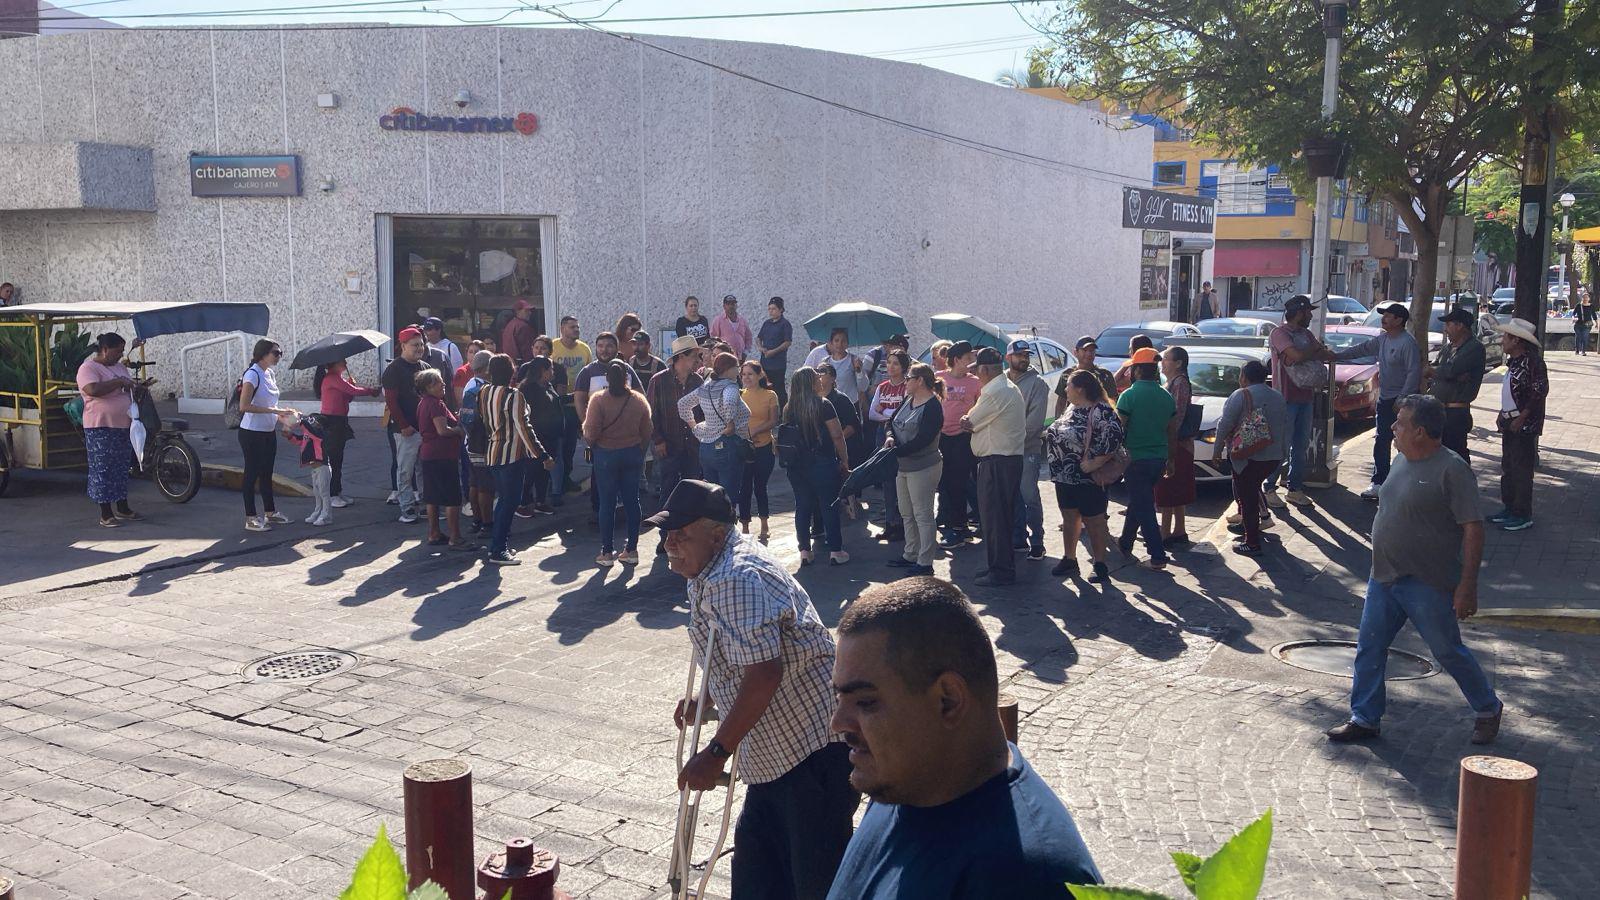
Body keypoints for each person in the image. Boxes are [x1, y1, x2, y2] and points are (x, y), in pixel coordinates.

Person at [826, 577, 1102, 898]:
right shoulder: (905, 781)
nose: (838, 724)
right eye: (838, 699)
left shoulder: (1028, 879)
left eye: (866, 702)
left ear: (948, 701)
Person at [647, 480, 860, 898]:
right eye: (666, 533)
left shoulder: (735, 578)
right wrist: (705, 695)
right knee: (758, 875)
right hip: (774, 755)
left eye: (680, 534)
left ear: (716, 533)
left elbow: (764, 673)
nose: (669, 543)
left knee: (815, 882)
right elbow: (737, 652)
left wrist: (715, 754)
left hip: (810, 750)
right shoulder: (706, 569)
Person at [1326, 395, 1502, 745]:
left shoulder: (1452, 469)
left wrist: (1467, 586)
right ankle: (1364, 717)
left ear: (1420, 431)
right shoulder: (1401, 459)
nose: (1393, 427)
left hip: (1427, 582)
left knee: (1447, 650)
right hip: (1385, 575)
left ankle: (1487, 707)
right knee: (1369, 647)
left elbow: (1473, 528)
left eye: (1401, 423)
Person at [1333, 300, 1422, 500]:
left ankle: (1404, 482)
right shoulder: (1383, 339)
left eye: (1388, 316)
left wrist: (1403, 398)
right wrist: (1336, 355)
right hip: (1384, 399)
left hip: (1401, 402)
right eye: (1384, 315)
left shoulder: (1407, 343)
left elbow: (1413, 372)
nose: (1384, 319)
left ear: (1399, 320)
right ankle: (1379, 481)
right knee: (1381, 440)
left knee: (1404, 442)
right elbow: (1362, 349)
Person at [1045, 370, 1123, 582]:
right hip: (1064, 476)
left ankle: (1099, 564)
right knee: (1069, 518)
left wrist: (1095, 463)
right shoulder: (1073, 407)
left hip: (1088, 478)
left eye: (1068, 386)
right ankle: (1069, 559)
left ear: (1080, 388)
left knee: (1094, 520)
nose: (1066, 390)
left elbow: (1114, 436)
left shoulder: (1101, 410)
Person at [959, 347, 1025, 587]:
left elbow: (970, 420)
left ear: (984, 369)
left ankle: (1000, 570)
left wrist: (970, 421)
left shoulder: (995, 391)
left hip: (998, 461)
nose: (976, 374)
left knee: (995, 518)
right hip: (1003, 461)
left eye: (976, 370)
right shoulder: (1005, 388)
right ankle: (999, 567)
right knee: (1000, 517)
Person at [481, 354, 553, 566]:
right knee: (509, 502)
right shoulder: (514, 396)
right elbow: (524, 428)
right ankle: (498, 549)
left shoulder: (484, 392)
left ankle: (498, 543)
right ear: (511, 371)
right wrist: (542, 455)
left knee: (503, 500)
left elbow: (484, 420)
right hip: (511, 455)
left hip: (492, 451)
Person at [1213, 361, 1288, 556]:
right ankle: (1251, 531)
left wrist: (1217, 449)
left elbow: (1225, 424)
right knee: (1252, 493)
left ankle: (1252, 542)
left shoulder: (1240, 395)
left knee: (1247, 500)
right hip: (1272, 457)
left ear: (1244, 377)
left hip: (1246, 457)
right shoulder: (1277, 396)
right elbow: (1285, 427)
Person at [1263, 295, 1331, 508]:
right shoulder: (1279, 333)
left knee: (1300, 445)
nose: (1311, 316)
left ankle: (1294, 488)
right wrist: (1312, 352)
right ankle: (1269, 488)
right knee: (1281, 445)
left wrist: (1310, 352)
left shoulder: (1306, 334)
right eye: (1308, 312)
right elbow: (1296, 355)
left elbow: (1322, 354)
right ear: (1299, 313)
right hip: (1284, 398)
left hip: (1306, 396)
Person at [584, 361, 653, 567]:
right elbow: (647, 428)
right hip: (632, 452)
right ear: (626, 378)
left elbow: (590, 432)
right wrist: (640, 450)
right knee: (633, 501)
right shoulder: (638, 400)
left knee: (607, 503)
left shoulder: (598, 400)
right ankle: (631, 550)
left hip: (606, 455)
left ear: (607, 378)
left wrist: (593, 443)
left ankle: (606, 552)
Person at [1115, 347, 1176, 570]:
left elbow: (1118, 427)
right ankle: (1125, 542)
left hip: (1135, 459)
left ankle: (1157, 554)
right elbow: (1172, 431)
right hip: (1159, 459)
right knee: (1139, 501)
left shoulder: (1129, 395)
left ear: (1138, 370)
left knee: (1144, 506)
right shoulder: (1166, 396)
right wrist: (1171, 460)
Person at [785, 367, 852, 566]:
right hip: (822, 462)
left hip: (796, 465)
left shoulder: (789, 408)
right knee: (829, 505)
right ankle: (836, 550)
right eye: (816, 378)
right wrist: (844, 460)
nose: (820, 380)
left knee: (802, 506)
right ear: (810, 383)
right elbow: (837, 435)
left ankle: (805, 551)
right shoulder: (823, 404)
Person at [76, 333, 143, 528]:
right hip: (100, 426)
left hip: (123, 424)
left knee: (120, 468)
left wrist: (134, 388)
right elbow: (93, 390)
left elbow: (125, 388)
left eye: (122, 351)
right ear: (105, 350)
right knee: (103, 468)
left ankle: (122, 506)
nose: (120, 355)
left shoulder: (120, 367)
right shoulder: (88, 368)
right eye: (117, 351)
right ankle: (106, 513)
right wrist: (119, 382)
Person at [885, 364, 944, 578]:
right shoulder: (908, 400)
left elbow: (924, 439)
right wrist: (890, 437)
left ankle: (925, 561)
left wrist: (897, 451)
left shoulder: (933, 407)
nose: (905, 381)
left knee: (923, 514)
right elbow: (890, 422)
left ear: (920, 381)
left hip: (924, 466)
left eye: (909, 377)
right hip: (903, 466)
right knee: (906, 513)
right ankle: (910, 553)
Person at [1491, 318, 1548, 532]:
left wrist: (1522, 416)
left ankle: (1522, 512)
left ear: (1516, 340)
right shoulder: (1513, 362)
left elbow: (1538, 392)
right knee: (1508, 466)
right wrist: (1503, 413)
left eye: (1506, 337)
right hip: (1510, 420)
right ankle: (1509, 506)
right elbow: (1510, 392)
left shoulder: (1533, 362)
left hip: (1524, 424)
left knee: (1521, 468)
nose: (1502, 340)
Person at [650, 336, 706, 551]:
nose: (698, 360)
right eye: (695, 355)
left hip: (692, 445)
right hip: (669, 445)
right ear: (681, 357)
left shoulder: (697, 382)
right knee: (668, 491)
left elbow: (703, 413)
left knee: (691, 491)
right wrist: (658, 440)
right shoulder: (659, 380)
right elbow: (651, 413)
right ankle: (666, 537)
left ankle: (687, 535)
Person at [237, 339, 294, 532]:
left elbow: (270, 405)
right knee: (251, 474)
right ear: (263, 354)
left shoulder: (269, 373)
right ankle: (251, 517)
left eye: (280, 353)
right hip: (251, 432)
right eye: (275, 353)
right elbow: (244, 406)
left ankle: (270, 513)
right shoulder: (253, 374)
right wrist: (273, 411)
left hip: (268, 432)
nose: (279, 356)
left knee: (267, 473)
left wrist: (282, 415)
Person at [678, 351, 750, 499]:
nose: (739, 370)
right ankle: (727, 522)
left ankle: (714, 522)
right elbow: (730, 401)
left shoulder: (706, 387)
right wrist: (730, 423)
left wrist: (694, 427)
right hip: (727, 446)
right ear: (728, 369)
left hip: (706, 448)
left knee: (713, 497)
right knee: (728, 497)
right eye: (737, 366)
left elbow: (682, 403)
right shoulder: (730, 386)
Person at [416, 369, 474, 550]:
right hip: (441, 455)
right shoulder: (435, 404)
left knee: (432, 496)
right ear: (429, 386)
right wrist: (458, 430)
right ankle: (455, 537)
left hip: (429, 454)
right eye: (439, 383)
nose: (443, 385)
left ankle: (434, 533)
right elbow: (442, 430)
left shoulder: (423, 403)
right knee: (451, 497)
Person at [314, 359, 379, 509]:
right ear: (334, 364)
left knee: (338, 457)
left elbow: (348, 397)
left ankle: (337, 491)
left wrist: (351, 385)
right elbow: (353, 392)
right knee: (334, 458)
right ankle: (331, 494)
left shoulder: (338, 379)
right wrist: (370, 390)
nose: (345, 363)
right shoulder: (332, 378)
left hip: (339, 420)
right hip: (332, 421)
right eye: (342, 361)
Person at [382, 328, 432, 524]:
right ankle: (407, 508)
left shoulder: (425, 366)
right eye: (414, 345)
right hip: (405, 430)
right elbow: (392, 402)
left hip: (425, 429)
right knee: (405, 469)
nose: (419, 348)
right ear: (403, 346)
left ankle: (429, 506)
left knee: (425, 468)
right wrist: (404, 425)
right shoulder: (393, 370)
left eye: (421, 344)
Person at [1005, 340, 1049, 561]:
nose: (1024, 358)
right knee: (1011, 496)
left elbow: (1034, 424)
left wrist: (1009, 441)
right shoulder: (1001, 381)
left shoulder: (1037, 384)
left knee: (1029, 496)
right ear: (1008, 357)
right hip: (1004, 451)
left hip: (1026, 449)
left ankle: (1038, 541)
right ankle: (1017, 538)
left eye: (1026, 355)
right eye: (1019, 354)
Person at [936, 342, 982, 549]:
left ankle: (959, 529)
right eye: (968, 358)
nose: (971, 362)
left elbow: (982, 409)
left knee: (960, 483)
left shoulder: (975, 382)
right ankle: (951, 525)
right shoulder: (939, 378)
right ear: (956, 360)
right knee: (944, 484)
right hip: (941, 438)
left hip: (964, 438)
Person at [1427, 307, 1487, 464]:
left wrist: (1440, 373)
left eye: (1448, 325)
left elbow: (1450, 370)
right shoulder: (1448, 347)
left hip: (1456, 411)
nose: (1445, 329)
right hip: (1438, 408)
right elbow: (1437, 368)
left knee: (1456, 453)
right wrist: (1439, 372)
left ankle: (1463, 486)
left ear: (1460, 325)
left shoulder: (1474, 347)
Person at [867, 350, 911, 542]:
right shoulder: (882, 387)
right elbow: (872, 414)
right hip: (883, 434)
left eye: (895, 363)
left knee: (902, 481)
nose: (891, 367)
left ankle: (904, 525)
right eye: (889, 363)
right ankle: (890, 523)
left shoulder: (908, 386)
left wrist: (885, 411)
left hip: (902, 436)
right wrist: (890, 415)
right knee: (887, 481)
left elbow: (907, 412)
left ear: (903, 366)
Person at [1155, 346, 1197, 546]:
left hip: (1176, 443)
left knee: (1169, 488)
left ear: (1178, 363)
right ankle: (1178, 530)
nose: (1162, 363)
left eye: (1166, 359)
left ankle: (1166, 532)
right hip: (1177, 442)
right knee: (1176, 488)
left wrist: (1168, 440)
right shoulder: (1174, 382)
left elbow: (1177, 416)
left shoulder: (1179, 383)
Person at [818, 361, 867, 520]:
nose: (819, 374)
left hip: (844, 446)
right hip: (822, 449)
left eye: (823, 371)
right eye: (817, 371)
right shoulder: (815, 399)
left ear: (832, 378)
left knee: (846, 482)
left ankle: (851, 508)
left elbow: (853, 426)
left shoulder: (841, 399)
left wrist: (835, 440)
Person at [550, 316, 593, 494]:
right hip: (555, 405)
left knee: (570, 446)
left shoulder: (584, 349)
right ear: (562, 329)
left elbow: (590, 376)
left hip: (575, 405)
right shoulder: (553, 347)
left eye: (577, 326)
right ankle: (552, 482)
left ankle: (566, 477)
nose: (576, 329)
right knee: (554, 446)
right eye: (572, 327)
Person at [517, 356, 564, 515]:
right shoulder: (528, 389)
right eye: (550, 368)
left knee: (545, 470)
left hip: (550, 437)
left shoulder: (548, 386)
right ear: (542, 371)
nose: (553, 371)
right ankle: (522, 503)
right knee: (531, 470)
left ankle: (540, 501)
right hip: (535, 437)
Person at [738, 361, 780, 541]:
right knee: (744, 488)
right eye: (743, 374)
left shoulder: (770, 395)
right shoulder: (739, 395)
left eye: (750, 374)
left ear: (759, 375)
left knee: (760, 486)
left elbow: (773, 421)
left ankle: (764, 523)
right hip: (744, 448)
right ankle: (745, 526)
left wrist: (755, 431)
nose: (746, 377)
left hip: (764, 447)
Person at [461, 351, 497, 533]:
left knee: (475, 483)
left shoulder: (472, 385)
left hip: (472, 441)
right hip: (481, 442)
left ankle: (477, 520)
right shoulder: (481, 388)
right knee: (485, 486)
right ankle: (486, 522)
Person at [282, 412, 331, 526]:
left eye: (313, 421)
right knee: (317, 493)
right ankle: (317, 512)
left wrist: (300, 420)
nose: (310, 423)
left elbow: (309, 429)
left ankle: (326, 515)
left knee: (324, 493)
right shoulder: (309, 435)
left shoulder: (319, 435)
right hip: (314, 468)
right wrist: (290, 435)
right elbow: (299, 440)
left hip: (322, 468)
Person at [1054, 336, 1118, 418]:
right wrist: (1057, 421)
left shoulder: (1105, 375)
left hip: (1098, 421)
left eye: (1091, 351)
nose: (1089, 354)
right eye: (1084, 350)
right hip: (1073, 420)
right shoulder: (1067, 374)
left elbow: (1113, 400)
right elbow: (1061, 402)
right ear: (1075, 352)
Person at [805, 328, 866, 413]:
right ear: (831, 343)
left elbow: (863, 387)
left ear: (847, 343)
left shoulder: (853, 361)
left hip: (849, 405)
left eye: (843, 341)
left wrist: (859, 371)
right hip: (830, 406)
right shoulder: (825, 362)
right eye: (836, 340)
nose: (840, 344)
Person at [756, 297, 794, 410]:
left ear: (781, 309)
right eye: (769, 309)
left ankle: (783, 413)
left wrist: (774, 352)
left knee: (779, 389)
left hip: (778, 364)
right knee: (764, 388)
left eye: (773, 309)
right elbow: (758, 338)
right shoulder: (767, 323)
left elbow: (787, 342)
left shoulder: (785, 324)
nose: (771, 311)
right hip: (765, 363)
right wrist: (761, 348)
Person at [710, 294, 754, 359]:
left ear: (736, 306)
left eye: (733, 304)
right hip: (724, 357)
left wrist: (746, 352)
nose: (731, 306)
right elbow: (713, 338)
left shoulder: (742, 320)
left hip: (740, 357)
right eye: (728, 304)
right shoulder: (718, 320)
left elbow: (748, 337)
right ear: (724, 306)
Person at [500, 300, 537, 367]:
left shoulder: (510, 325)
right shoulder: (523, 326)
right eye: (526, 310)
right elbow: (527, 350)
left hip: (509, 365)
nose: (530, 313)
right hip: (522, 365)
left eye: (530, 310)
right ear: (518, 311)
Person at [1575, 284, 1595, 356]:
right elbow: (1574, 313)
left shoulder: (1591, 306)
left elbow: (1594, 315)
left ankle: (1583, 351)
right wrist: (1574, 318)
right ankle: (1577, 350)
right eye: (1584, 297)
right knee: (1578, 337)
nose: (1585, 299)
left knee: (1585, 337)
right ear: (1582, 298)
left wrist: (1597, 323)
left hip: (1587, 324)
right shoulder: (1578, 305)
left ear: (1589, 299)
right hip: (1578, 324)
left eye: (1587, 297)